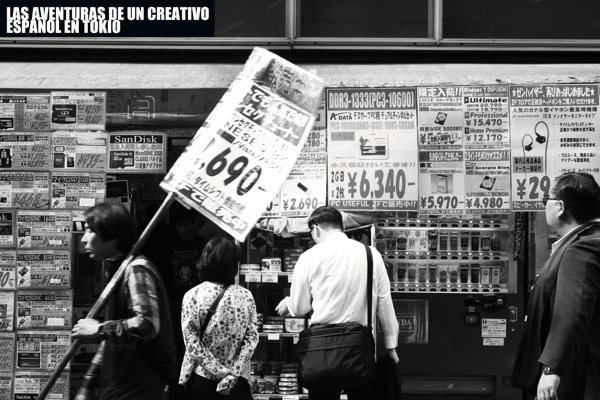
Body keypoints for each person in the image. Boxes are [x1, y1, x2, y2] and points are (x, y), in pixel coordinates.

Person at [276, 206, 399, 400]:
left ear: (316, 229)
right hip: (359, 349)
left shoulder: (308, 257)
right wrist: (391, 347)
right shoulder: (371, 254)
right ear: (341, 227)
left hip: (321, 350)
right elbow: (385, 304)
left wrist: (289, 302)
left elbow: (300, 308)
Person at [72, 202, 177, 400]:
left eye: (90, 231)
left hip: (138, 386)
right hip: (121, 385)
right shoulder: (117, 269)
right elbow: (111, 343)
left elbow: (147, 324)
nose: (84, 239)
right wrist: (88, 383)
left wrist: (100, 328)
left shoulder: (136, 269)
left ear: (112, 238)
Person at [511, 172, 600, 400]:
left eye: (546, 200)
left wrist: (551, 368)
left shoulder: (580, 249)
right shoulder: (593, 239)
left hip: (579, 371)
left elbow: (572, 312)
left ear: (560, 207)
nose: (544, 206)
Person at [179, 238, 259, 399]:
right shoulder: (246, 296)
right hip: (237, 383)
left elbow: (192, 342)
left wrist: (220, 372)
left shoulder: (192, 295)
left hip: (203, 379)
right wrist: (232, 374)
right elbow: (252, 339)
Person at [153, 202, 209, 380]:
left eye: (186, 225)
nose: (183, 230)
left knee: (199, 346)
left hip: (201, 307)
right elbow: (159, 276)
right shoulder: (166, 246)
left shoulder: (204, 246)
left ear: (194, 224)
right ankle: (178, 383)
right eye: (179, 226)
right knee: (177, 345)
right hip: (174, 306)